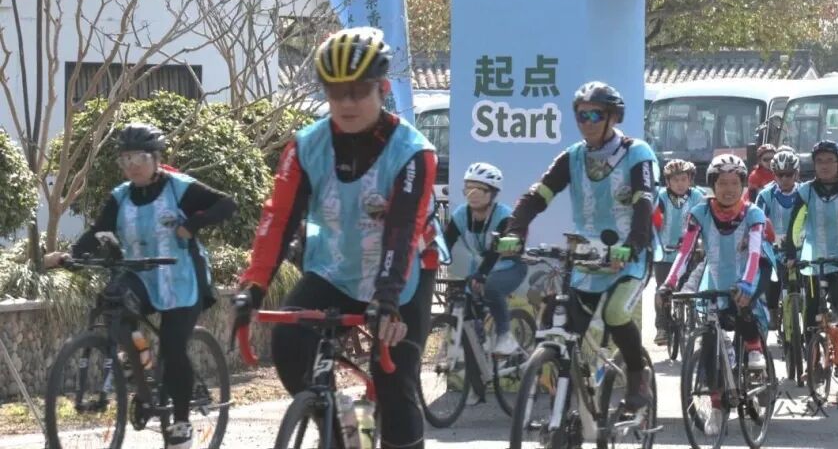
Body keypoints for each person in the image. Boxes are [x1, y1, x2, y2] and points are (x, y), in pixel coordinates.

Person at [235, 27, 435, 449]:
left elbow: (403, 232)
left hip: (401, 277)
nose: (346, 103)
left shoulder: (413, 152)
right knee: (289, 344)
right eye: (335, 92)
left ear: (382, 89)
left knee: (393, 381)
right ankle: (345, 428)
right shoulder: (305, 146)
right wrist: (253, 286)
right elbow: (278, 219)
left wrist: (386, 300)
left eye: (358, 91)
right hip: (334, 269)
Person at [45, 123, 236, 449]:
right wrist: (70, 255)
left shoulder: (179, 188)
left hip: (182, 278)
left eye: (139, 158)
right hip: (141, 275)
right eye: (125, 159)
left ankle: (180, 423)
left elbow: (227, 204)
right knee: (113, 300)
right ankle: (140, 362)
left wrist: (192, 224)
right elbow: (98, 231)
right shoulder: (120, 197)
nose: (132, 165)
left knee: (173, 348)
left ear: (156, 158)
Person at [497, 81, 658, 411]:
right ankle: (566, 406)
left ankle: (637, 376)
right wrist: (515, 230)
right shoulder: (572, 157)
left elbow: (644, 201)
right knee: (564, 328)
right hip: (586, 259)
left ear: (613, 117)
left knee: (615, 313)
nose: (587, 122)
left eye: (595, 114)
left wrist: (633, 244)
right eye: (581, 115)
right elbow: (537, 196)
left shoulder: (636, 153)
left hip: (629, 257)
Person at [660, 154, 771, 435]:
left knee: (743, 306)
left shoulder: (754, 214)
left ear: (743, 185)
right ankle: (717, 407)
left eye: (735, 183)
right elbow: (685, 252)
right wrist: (669, 283)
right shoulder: (700, 212)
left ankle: (754, 348)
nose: (729, 189)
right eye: (722, 183)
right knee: (710, 342)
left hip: (751, 273)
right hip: (718, 275)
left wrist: (747, 285)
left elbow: (754, 253)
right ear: (713, 185)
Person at [782, 140, 838, 348]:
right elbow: (795, 225)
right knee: (812, 308)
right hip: (814, 261)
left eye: (830, 160)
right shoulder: (805, 191)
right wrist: (791, 254)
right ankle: (811, 351)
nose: (824, 165)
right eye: (819, 161)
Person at [444, 162, 526, 355]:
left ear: (493, 193)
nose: (472, 194)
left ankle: (505, 336)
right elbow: (446, 242)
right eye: (468, 188)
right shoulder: (461, 214)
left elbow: (496, 251)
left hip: (510, 266)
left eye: (480, 189)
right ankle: (475, 347)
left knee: (490, 288)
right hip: (480, 266)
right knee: (465, 301)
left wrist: (481, 274)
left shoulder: (505, 216)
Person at [652, 159, 706, 345]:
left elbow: (705, 221)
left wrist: (703, 243)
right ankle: (662, 326)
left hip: (691, 252)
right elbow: (653, 223)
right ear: (667, 182)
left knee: (691, 290)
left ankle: (695, 320)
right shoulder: (660, 198)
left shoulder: (698, 196)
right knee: (663, 290)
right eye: (675, 180)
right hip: (665, 254)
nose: (680, 184)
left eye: (684, 179)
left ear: (690, 180)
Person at [756, 149, 800, 322]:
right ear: (774, 175)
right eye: (780, 175)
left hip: (801, 248)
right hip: (774, 248)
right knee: (772, 279)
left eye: (789, 174)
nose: (784, 179)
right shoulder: (765, 195)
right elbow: (757, 222)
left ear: (796, 174)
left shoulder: (805, 192)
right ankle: (773, 309)